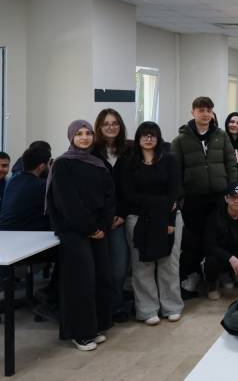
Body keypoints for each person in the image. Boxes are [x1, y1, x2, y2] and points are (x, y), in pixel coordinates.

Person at [46, 120, 114, 351]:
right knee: (81, 282)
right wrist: (90, 228)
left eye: (88, 133)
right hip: (74, 231)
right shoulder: (62, 164)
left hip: (98, 230)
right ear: (71, 137)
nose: (84, 137)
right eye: (79, 134)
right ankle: (81, 333)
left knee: (101, 278)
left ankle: (95, 327)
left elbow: (109, 197)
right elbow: (67, 201)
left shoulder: (99, 163)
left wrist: (102, 226)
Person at [171, 96, 237, 296]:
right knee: (194, 240)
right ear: (193, 112)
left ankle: (219, 273)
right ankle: (193, 274)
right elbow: (175, 171)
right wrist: (179, 196)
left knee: (219, 237)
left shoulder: (221, 136)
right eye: (201, 110)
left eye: (209, 110)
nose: (205, 114)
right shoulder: (180, 140)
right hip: (194, 198)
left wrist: (232, 189)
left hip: (219, 196)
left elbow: (231, 164)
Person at [120, 122, 183, 325]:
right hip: (139, 219)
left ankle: (171, 306)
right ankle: (147, 310)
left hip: (169, 217)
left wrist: (169, 218)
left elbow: (175, 191)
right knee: (142, 265)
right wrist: (160, 202)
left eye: (152, 135)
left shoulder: (169, 159)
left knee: (169, 263)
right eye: (145, 135)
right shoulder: (128, 163)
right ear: (138, 138)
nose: (148, 139)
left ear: (158, 138)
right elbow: (128, 194)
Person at [93, 108, 132, 324]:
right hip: (98, 219)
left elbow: (132, 186)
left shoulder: (128, 151)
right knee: (100, 267)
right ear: (99, 127)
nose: (111, 127)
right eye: (106, 123)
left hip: (119, 218)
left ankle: (116, 305)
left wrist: (122, 213)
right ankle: (103, 307)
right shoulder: (91, 152)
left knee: (119, 266)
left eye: (115, 123)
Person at [0, 146, 51, 231]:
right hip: (21, 234)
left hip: (5, 232)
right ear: (42, 166)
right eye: (49, 164)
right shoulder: (41, 185)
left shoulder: (12, 181)